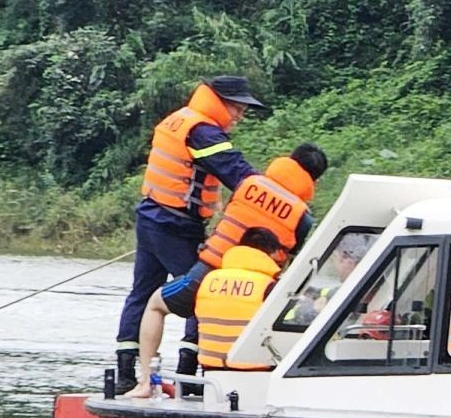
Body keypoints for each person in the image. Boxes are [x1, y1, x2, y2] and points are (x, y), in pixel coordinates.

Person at [122, 143, 326, 397]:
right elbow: (293, 264)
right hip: (260, 285)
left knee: (154, 304)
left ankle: (145, 383)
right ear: (313, 180)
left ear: (289, 159)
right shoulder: (302, 217)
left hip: (211, 271)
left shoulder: (248, 183)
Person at [114, 76, 267, 394]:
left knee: (142, 294)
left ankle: (126, 374)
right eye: (237, 108)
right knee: (200, 292)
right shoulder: (203, 131)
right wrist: (274, 196)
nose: (239, 116)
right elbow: (236, 171)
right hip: (174, 225)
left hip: (151, 216)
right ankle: (190, 374)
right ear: (218, 101)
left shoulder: (179, 120)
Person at [194, 228, 286, 371]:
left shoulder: (209, 279)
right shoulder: (268, 286)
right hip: (254, 371)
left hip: (211, 369)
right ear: (270, 254)